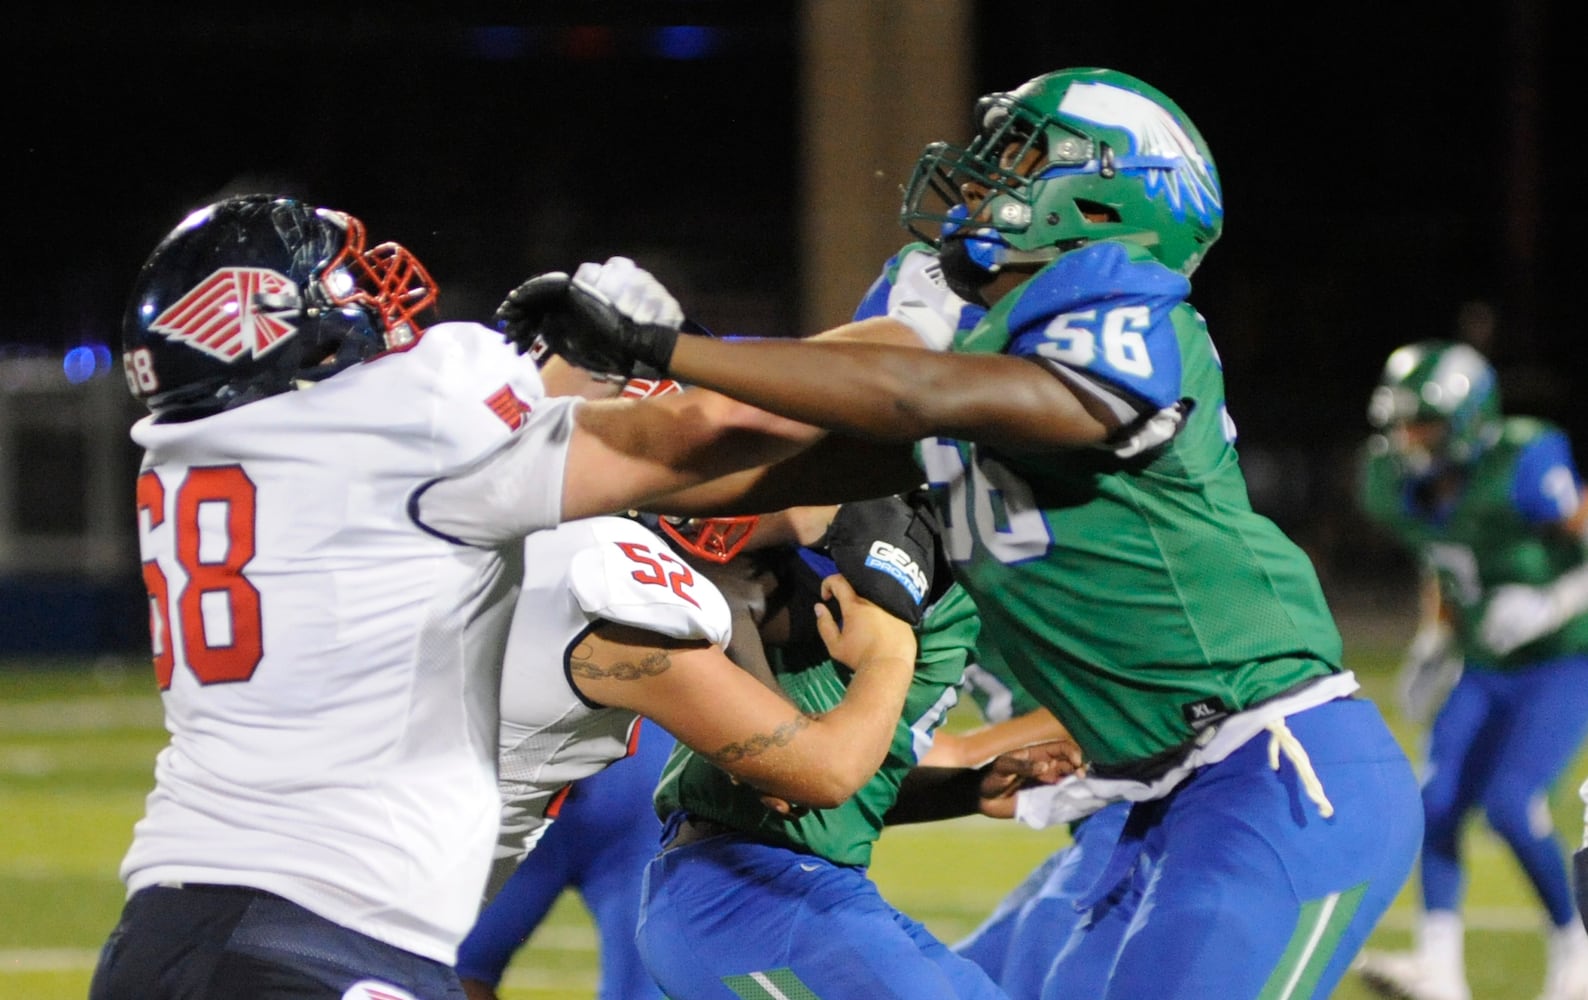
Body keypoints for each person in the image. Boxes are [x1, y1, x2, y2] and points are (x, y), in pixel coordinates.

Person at [507, 66, 1426, 999]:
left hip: (1278, 762)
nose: (985, 182)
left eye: (1025, 160)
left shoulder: (1134, 321)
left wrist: (669, 347)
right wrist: (544, 448)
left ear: (1107, 204)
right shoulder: (971, 368)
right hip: (1159, 799)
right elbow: (755, 460)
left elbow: (913, 391)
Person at [91, 194, 923, 1000]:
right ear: (280, 332)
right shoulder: (420, 423)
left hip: (166, 927)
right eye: (341, 286)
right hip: (322, 938)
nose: (376, 302)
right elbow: (712, 435)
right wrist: (924, 345)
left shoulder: (188, 453)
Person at [636, 490, 1078, 1000]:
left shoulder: (957, 592)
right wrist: (770, 740)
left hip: (811, 895)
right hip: (739, 903)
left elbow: (841, 786)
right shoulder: (890, 540)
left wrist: (968, 790)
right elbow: (714, 569)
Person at [1353, 339, 1588, 1000]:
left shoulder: (1525, 458)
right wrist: (1434, 638)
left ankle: (1579, 946)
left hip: (1562, 655)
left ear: (1468, 421)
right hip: (1483, 660)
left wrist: (1555, 599)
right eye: (1399, 421)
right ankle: (1439, 968)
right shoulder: (1391, 480)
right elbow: (1441, 559)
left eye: (1422, 422)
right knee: (1437, 802)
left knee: (1513, 804)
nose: (1407, 437)